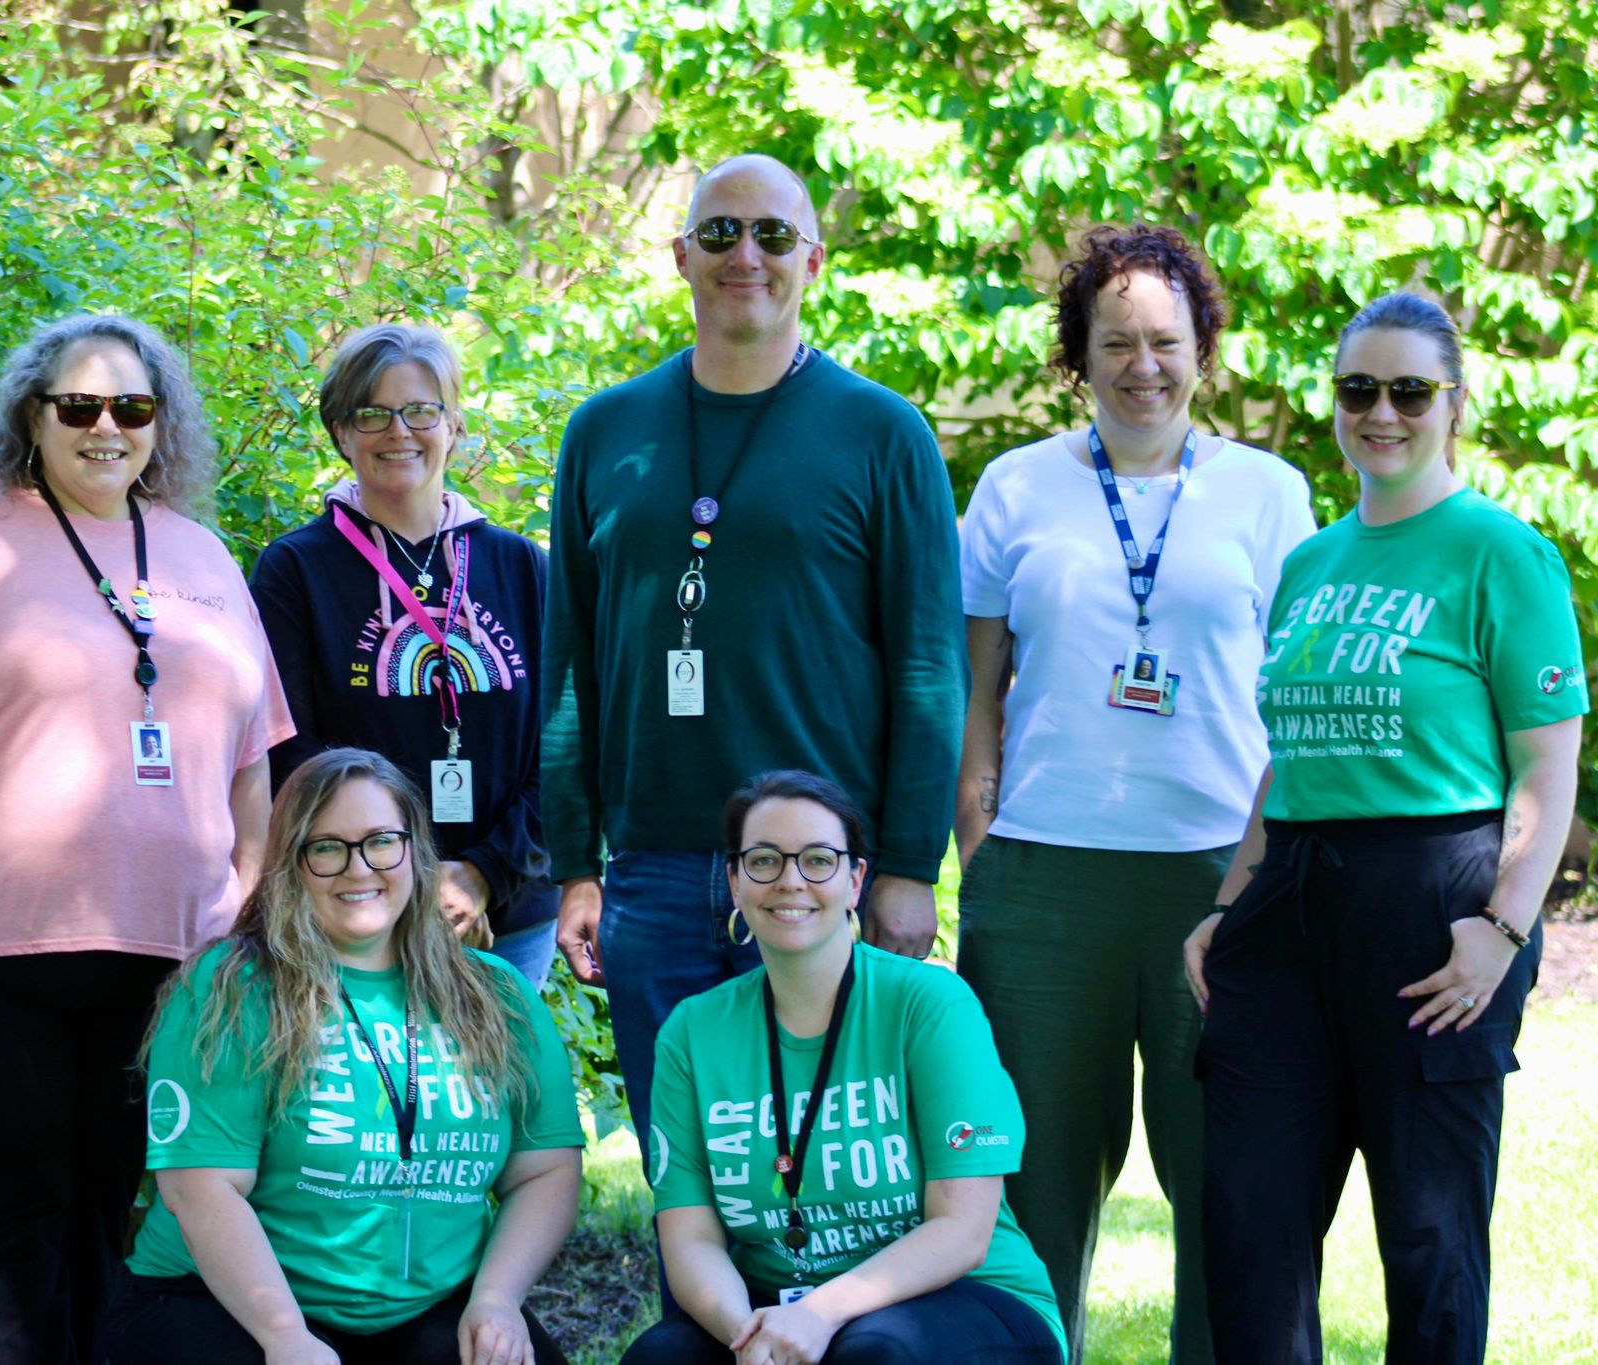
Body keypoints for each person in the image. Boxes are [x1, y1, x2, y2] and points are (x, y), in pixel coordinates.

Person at [0, 314, 294, 1365]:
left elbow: (254, 756)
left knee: (114, 1223)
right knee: (6, 1223)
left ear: (161, 424)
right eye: (79, 406)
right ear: (33, 414)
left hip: (169, 960)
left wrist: (246, 906)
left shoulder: (200, 555)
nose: (106, 427)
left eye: (132, 408)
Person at [1183, 292, 1586, 1364]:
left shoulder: (1501, 554)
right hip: (1288, 900)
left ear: (1453, 402)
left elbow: (1545, 765)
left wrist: (1497, 928)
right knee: (1247, 1220)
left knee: (1427, 1233)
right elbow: (1290, 754)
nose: (1381, 413)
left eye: (1409, 391)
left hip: (1434, 898)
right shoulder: (1309, 564)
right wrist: (1227, 905)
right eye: (1357, 390)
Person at [544, 153, 966, 1160]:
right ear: (679, 254)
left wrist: (906, 869)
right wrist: (574, 866)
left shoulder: (882, 433)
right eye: (721, 232)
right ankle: (699, 1323)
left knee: (823, 1162)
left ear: (811, 259)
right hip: (651, 866)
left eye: (772, 235)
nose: (746, 254)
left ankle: (822, 1326)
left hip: (813, 871)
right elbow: (571, 668)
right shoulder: (604, 433)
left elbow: (925, 667)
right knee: (682, 1161)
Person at [952, 224, 1315, 1364]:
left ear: (1202, 348)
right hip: (1040, 884)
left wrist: (1262, 870)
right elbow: (974, 694)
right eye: (1114, 342)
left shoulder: (1269, 493)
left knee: (1225, 1177)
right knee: (1034, 1184)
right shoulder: (1014, 487)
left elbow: (1292, 704)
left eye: (1164, 340)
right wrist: (977, 840)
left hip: (1221, 881)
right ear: (1079, 356)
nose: (1141, 365)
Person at [105, 748, 584, 1363]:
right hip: (223, 1302)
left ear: (415, 850)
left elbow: (545, 1170)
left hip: (429, 1305)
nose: (359, 869)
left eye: (381, 841)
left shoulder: (495, 993)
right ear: (289, 863)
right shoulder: (231, 989)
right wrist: (285, 1338)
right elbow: (202, 1188)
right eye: (326, 848)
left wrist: (494, 1300)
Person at [622, 771, 1063, 1365]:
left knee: (875, 1353)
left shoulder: (930, 1005)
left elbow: (963, 1230)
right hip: (776, 1305)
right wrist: (753, 1340)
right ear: (733, 880)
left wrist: (819, 1314)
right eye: (763, 860)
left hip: (963, 1300)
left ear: (855, 880)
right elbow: (690, 1239)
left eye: (818, 860)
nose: (790, 880)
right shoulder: (692, 1032)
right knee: (662, 1358)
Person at [251, 324, 557, 986]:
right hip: (356, 909)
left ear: (455, 425)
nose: (399, 431)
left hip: (509, 913)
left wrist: (481, 873)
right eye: (372, 413)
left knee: (492, 1092)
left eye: (421, 410)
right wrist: (399, 876)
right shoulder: (294, 570)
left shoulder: (523, 567)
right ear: (340, 431)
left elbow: (563, 748)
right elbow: (288, 753)